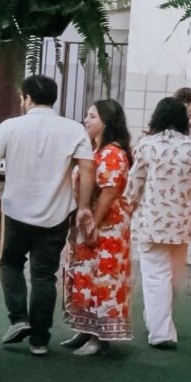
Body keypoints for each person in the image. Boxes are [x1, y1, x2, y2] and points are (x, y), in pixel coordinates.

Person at [0, 74, 92, 357]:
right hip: (56, 213)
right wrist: (84, 206)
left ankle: (19, 319)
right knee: (44, 275)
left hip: (16, 210)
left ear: (27, 98)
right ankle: (40, 341)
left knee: (10, 263)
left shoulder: (10, 127)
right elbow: (87, 167)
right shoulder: (73, 129)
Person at [126, 95, 191, 350]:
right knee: (172, 275)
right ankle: (159, 322)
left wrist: (129, 205)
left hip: (151, 221)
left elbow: (134, 183)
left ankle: (160, 331)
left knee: (156, 275)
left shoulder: (146, 145)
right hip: (181, 222)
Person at [61, 98, 134, 356]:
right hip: (91, 223)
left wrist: (95, 223)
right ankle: (85, 329)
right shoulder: (96, 150)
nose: (86, 120)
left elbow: (109, 191)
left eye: (92, 116)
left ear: (106, 122)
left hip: (106, 227)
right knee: (85, 277)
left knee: (103, 279)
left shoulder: (113, 153)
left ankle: (99, 337)